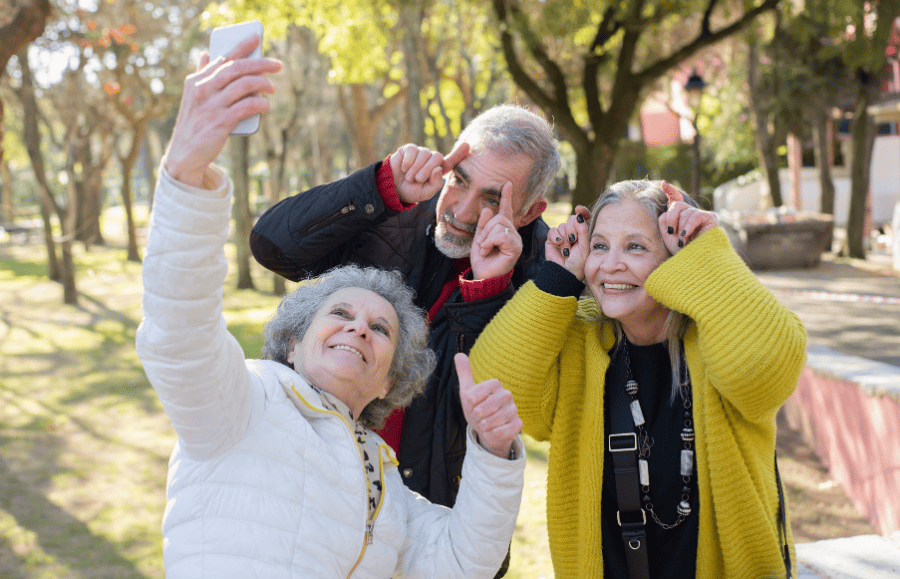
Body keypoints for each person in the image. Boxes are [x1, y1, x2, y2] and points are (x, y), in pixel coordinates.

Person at [135, 35, 526, 578]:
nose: (360, 329)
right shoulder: (242, 406)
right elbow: (178, 334)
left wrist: (494, 452)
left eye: (381, 329)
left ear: (391, 381)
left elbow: (462, 562)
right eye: (340, 314)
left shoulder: (384, 483)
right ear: (292, 342)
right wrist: (184, 173)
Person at [468, 180, 807, 578]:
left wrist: (709, 254)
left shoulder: (719, 337)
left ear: (676, 258)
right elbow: (492, 388)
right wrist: (558, 277)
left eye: (635, 246)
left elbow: (763, 374)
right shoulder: (580, 342)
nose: (610, 264)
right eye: (599, 246)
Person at [250, 100, 560, 516]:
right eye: (459, 180)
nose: (462, 211)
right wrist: (378, 186)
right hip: (319, 491)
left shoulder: (547, 277)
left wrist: (487, 290)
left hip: (431, 520)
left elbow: (479, 407)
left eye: (490, 199)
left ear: (530, 212)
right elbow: (272, 247)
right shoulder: (394, 208)